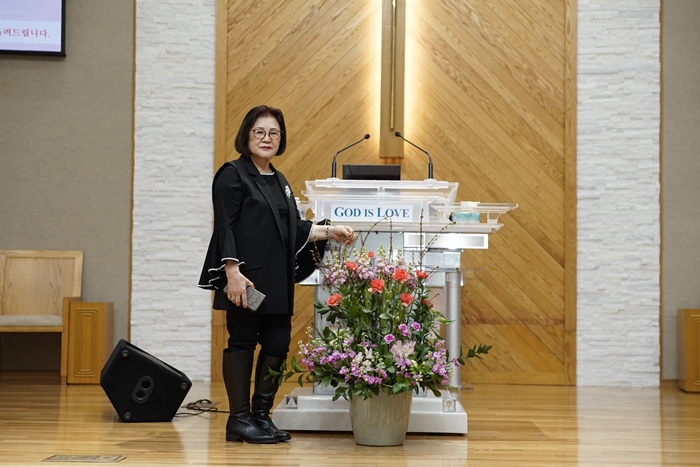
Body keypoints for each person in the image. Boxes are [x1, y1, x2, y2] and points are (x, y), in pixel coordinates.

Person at [198, 105, 354, 444]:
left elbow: (293, 228)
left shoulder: (279, 179)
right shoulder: (232, 175)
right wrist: (232, 272)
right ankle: (239, 420)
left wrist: (330, 231)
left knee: (277, 344)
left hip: (277, 282)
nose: (266, 138)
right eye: (260, 132)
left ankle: (261, 416)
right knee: (242, 342)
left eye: (274, 133)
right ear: (246, 135)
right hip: (248, 281)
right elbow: (224, 227)